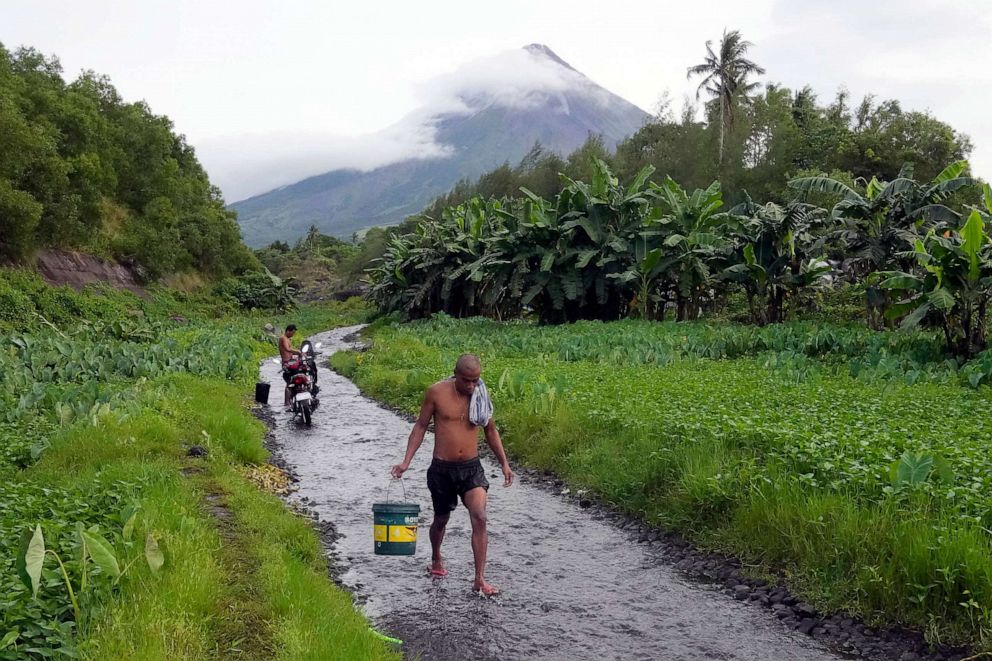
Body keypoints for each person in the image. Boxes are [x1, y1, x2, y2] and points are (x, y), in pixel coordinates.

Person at [391, 354, 513, 596]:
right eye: (466, 381)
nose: (471, 386)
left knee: (479, 516)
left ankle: (479, 579)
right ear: (455, 374)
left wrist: (504, 464)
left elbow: (490, 430)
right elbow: (421, 426)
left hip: (471, 469)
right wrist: (406, 461)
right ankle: (436, 557)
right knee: (441, 519)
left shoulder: (480, 394)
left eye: (475, 380)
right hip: (442, 470)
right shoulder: (436, 393)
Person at [279, 324, 302, 409]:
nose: (293, 334)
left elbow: (290, 351)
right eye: (292, 332)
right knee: (289, 382)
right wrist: (298, 352)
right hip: (287, 363)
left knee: (295, 379)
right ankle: (286, 403)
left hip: (291, 361)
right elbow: (287, 349)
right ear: (288, 331)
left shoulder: (288, 339)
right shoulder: (283, 338)